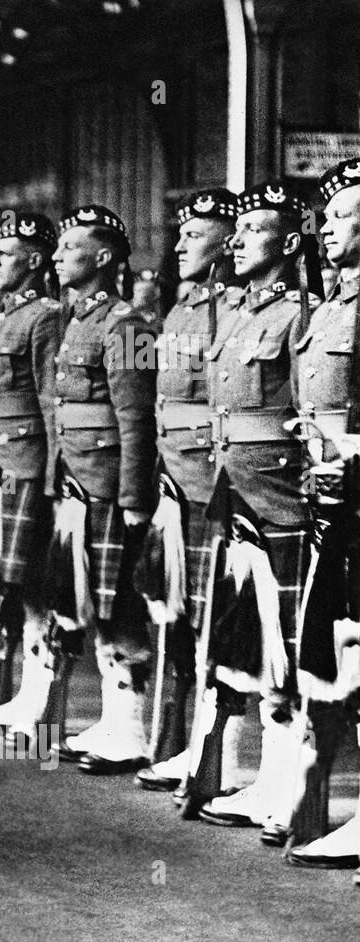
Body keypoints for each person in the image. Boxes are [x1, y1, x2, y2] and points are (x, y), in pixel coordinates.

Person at [184, 184, 318, 844]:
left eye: (254, 230)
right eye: (234, 231)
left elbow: (311, 410)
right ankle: (265, 777)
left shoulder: (300, 314)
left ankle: (294, 788)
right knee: (253, 643)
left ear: (289, 243)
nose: (235, 241)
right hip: (236, 491)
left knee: (292, 648)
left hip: (282, 498)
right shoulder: (235, 314)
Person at [129, 189, 241, 795]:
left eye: (193, 235)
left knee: (212, 623)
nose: (178, 245)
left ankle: (214, 754)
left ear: (228, 243)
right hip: (175, 478)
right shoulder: (183, 307)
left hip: (209, 482)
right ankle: (180, 744)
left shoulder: (231, 308)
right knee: (175, 616)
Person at [45, 204, 157, 773]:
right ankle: (112, 720)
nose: (57, 256)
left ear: (104, 257)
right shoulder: (77, 319)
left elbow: (137, 417)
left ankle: (132, 729)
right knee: (94, 604)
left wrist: (135, 498)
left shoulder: (129, 325)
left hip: (111, 486)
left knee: (122, 608)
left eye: (70, 248)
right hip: (80, 482)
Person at [283, 157, 360, 870]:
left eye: (341, 215)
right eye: (326, 216)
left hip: (356, 495)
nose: (326, 228)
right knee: (337, 650)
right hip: (329, 501)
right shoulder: (331, 305)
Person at [0, 213, 63, 738]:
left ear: (33, 260)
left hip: (29, 466)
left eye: (5, 254)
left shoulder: (45, 318)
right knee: (13, 584)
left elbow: (51, 404)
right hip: (0, 464)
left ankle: (42, 698)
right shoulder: (3, 316)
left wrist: (52, 479)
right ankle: (24, 693)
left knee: (37, 585)